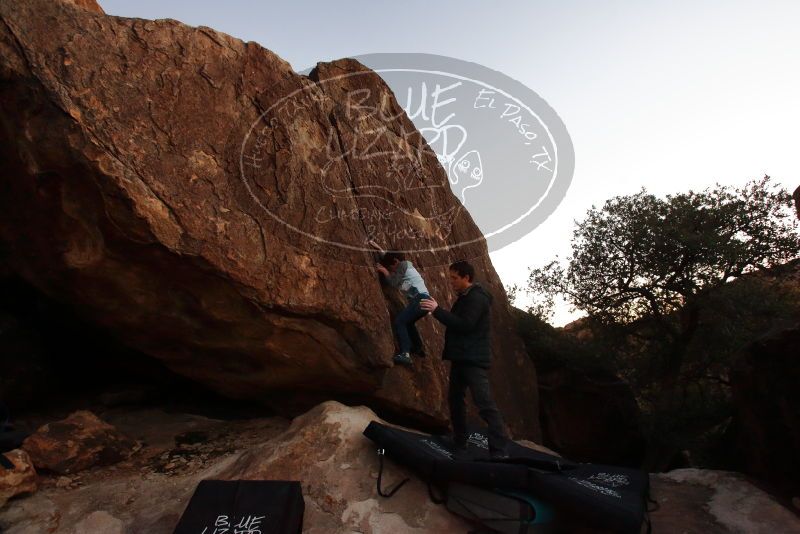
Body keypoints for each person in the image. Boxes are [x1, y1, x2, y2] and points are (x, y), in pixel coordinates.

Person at [419, 259, 510, 459]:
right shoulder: (466, 296)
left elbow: (465, 325)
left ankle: (499, 451)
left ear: (466, 278)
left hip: (473, 359)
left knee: (484, 403)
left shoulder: (476, 298)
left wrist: (437, 310)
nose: (450, 282)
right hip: (462, 357)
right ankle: (460, 441)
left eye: (454, 278)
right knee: (456, 400)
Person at [370, 240, 431, 366]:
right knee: (409, 322)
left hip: (419, 300)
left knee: (400, 321)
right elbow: (391, 260)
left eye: (391, 268)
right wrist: (380, 249)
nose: (392, 271)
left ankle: (405, 354)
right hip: (425, 301)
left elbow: (393, 282)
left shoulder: (403, 265)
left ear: (396, 262)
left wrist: (385, 272)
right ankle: (418, 347)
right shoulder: (405, 265)